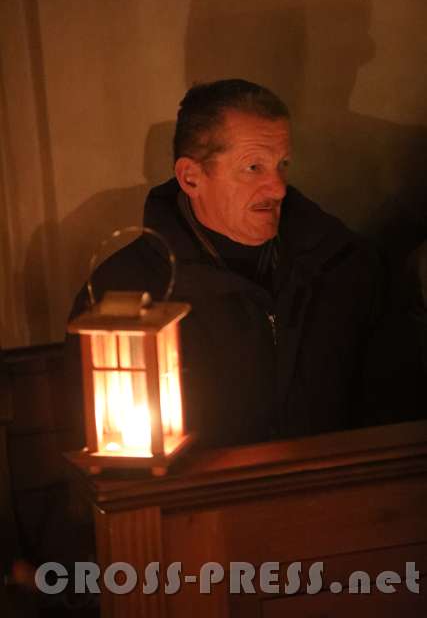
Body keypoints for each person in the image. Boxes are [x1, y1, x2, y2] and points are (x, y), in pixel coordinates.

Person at [69, 79, 384, 448]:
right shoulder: (123, 295)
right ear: (191, 178)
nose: (278, 188)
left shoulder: (342, 265)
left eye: (282, 165)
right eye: (253, 167)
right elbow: (103, 449)